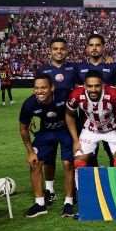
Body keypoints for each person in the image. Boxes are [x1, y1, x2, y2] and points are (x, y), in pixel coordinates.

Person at [19, 74, 75, 218]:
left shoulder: (64, 95)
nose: (40, 91)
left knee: (68, 163)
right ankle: (40, 204)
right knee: (35, 163)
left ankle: (68, 202)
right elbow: (23, 129)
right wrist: (30, 151)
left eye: (43, 87)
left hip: (65, 131)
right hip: (46, 132)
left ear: (52, 88)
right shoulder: (29, 104)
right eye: (36, 88)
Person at [36, 38, 78, 204]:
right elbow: (37, 93)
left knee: (69, 158)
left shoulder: (73, 68)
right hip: (47, 120)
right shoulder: (43, 70)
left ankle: (74, 190)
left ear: (66, 50)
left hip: (69, 119)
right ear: (50, 50)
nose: (59, 51)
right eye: (55, 48)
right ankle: (50, 189)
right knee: (48, 157)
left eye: (62, 49)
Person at [65, 71, 116, 169]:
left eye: (97, 86)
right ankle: (82, 184)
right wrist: (75, 140)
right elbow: (69, 115)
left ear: (103, 85)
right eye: (90, 86)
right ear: (84, 85)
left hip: (112, 130)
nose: (93, 89)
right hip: (90, 129)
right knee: (78, 162)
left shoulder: (114, 94)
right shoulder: (76, 94)